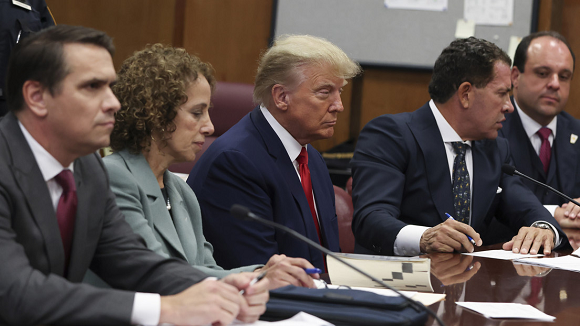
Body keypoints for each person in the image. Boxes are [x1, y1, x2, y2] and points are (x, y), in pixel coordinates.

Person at [0, 25, 268, 326]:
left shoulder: (87, 169)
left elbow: (133, 262)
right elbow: (14, 292)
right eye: (92, 87)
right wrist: (165, 310)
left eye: (110, 87)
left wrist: (220, 288)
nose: (113, 102)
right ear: (37, 97)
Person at [106, 43, 317, 288]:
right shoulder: (114, 178)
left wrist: (265, 270)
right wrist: (258, 277)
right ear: (155, 115)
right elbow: (152, 271)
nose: (209, 128)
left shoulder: (181, 190)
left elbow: (208, 270)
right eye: (197, 113)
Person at [350, 37, 568, 258]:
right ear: (466, 94)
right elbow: (370, 218)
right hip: (397, 282)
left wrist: (543, 229)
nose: (509, 107)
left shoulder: (496, 148)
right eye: (502, 94)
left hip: (467, 283)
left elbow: (526, 206)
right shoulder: (391, 135)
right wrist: (424, 238)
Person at [188, 35, 361, 270]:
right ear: (281, 97)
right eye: (325, 92)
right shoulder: (235, 163)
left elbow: (329, 261)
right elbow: (258, 272)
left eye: (339, 92)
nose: (338, 105)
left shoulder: (312, 159)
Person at [500, 31, 580, 229]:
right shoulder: (491, 129)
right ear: (515, 77)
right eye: (543, 73)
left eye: (564, 76)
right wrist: (554, 213)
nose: (554, 84)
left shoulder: (577, 132)